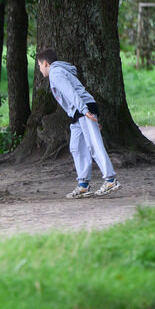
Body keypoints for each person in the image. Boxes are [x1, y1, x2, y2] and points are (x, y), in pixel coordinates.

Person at [35, 49, 121, 198]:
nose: (40, 70)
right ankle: (83, 185)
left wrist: (85, 110)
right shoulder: (58, 71)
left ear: (45, 63)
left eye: (39, 66)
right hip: (77, 112)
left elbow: (70, 92)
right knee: (76, 147)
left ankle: (110, 180)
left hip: (82, 108)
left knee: (94, 144)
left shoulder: (55, 73)